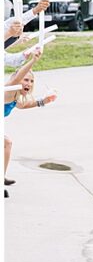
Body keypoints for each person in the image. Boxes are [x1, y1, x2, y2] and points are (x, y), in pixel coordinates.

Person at [4, 50, 56, 197]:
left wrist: (44, 101)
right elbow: (17, 77)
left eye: (31, 81)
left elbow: (23, 105)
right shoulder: (10, 90)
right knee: (6, 142)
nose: (29, 83)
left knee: (7, 143)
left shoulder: (16, 96)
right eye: (26, 80)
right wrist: (33, 61)